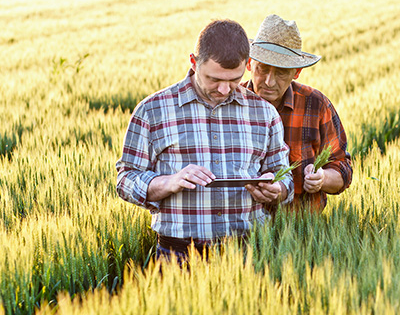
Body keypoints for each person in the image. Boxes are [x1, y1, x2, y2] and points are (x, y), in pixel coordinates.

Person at [116, 19, 293, 261]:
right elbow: (126, 179)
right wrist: (169, 182)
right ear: (193, 62)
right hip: (177, 255)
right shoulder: (152, 110)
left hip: (249, 252)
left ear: (247, 66)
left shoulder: (264, 113)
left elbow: (285, 177)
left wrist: (277, 189)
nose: (224, 89)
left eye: (234, 80)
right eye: (214, 79)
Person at [243, 14, 352, 212]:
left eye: (281, 73)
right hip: (243, 235)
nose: (269, 81)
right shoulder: (230, 104)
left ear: (296, 73)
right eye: (262, 69)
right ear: (249, 64)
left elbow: (343, 169)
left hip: (302, 235)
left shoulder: (315, 105)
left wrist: (323, 179)